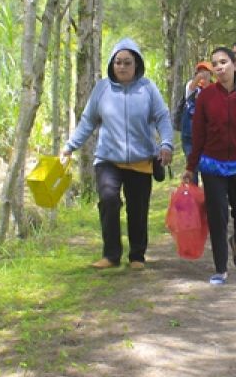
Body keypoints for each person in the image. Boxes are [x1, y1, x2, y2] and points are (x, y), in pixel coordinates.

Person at [62, 38, 173, 270]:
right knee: (109, 200)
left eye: (127, 62)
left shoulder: (147, 88)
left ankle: (136, 256)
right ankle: (111, 255)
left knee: (138, 208)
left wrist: (167, 144)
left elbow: (162, 117)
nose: (122, 67)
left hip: (141, 160)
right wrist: (69, 147)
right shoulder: (102, 88)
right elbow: (87, 121)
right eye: (117, 62)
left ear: (137, 64)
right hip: (108, 160)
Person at [182, 46, 236, 285]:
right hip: (212, 166)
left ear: (234, 64)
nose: (219, 67)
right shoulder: (206, 97)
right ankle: (220, 268)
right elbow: (197, 134)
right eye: (215, 64)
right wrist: (191, 167)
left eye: (223, 62)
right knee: (217, 216)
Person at [176, 60, 213, 185]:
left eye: (206, 71)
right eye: (200, 71)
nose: (202, 74)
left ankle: (209, 199)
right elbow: (191, 88)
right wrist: (199, 78)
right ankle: (194, 198)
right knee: (193, 168)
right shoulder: (190, 86)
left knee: (207, 169)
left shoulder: (213, 88)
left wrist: (207, 81)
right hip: (189, 135)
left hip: (206, 136)